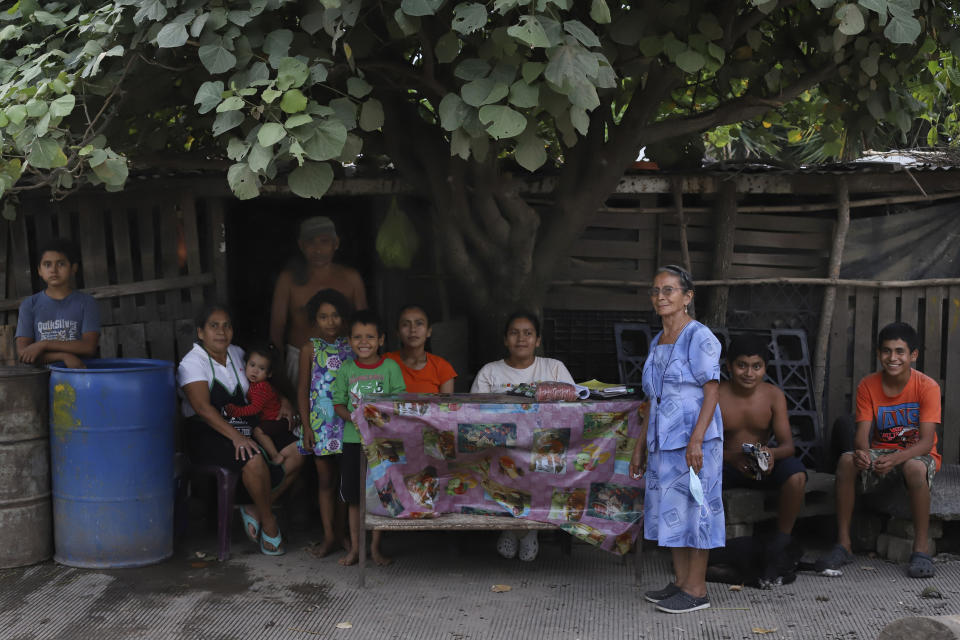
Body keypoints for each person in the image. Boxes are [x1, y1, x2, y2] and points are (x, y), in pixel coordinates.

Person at [629, 265, 724, 614]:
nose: (660, 297)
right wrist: (640, 447)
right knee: (673, 511)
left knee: (697, 509)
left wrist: (696, 440)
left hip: (694, 442)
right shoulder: (658, 341)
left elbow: (711, 391)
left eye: (668, 290)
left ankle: (697, 590)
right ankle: (682, 582)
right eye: (655, 291)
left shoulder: (700, 336)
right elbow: (651, 400)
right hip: (662, 443)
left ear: (687, 297)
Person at [815, 322, 941, 579]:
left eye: (899, 351)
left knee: (914, 467)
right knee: (846, 461)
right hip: (882, 453)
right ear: (878, 353)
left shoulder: (927, 387)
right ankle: (843, 544)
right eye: (886, 351)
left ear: (913, 355)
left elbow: (927, 442)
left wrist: (896, 458)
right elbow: (862, 434)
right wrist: (861, 452)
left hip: (916, 454)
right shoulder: (868, 385)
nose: (892, 358)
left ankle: (921, 549)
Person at [178, 304, 304, 555]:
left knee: (299, 451)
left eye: (226, 326)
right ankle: (269, 523)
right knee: (253, 458)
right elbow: (202, 408)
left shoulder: (237, 353)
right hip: (206, 433)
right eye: (214, 326)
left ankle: (256, 509)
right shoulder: (192, 363)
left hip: (246, 426)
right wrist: (236, 437)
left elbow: (264, 379)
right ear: (201, 332)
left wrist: (285, 401)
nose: (221, 332)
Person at [471, 311, 575, 562]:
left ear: (538, 340)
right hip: (500, 445)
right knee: (503, 463)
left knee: (545, 461)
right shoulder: (490, 372)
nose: (521, 339)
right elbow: (474, 413)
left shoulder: (553, 368)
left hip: (542, 445)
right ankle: (510, 526)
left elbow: (573, 408)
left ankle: (528, 530)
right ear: (505, 339)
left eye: (528, 333)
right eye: (514, 333)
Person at [719, 334, 806, 565]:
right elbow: (702, 447)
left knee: (796, 476)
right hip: (726, 465)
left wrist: (769, 455)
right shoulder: (716, 395)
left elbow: (788, 447)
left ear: (765, 368)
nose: (749, 373)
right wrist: (732, 458)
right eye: (742, 366)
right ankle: (704, 544)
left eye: (756, 366)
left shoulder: (773, 395)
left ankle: (782, 540)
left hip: (761, 466)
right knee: (695, 475)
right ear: (729, 366)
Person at [332, 309, 406, 566]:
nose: (364, 342)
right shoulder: (346, 369)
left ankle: (375, 548)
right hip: (354, 441)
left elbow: (399, 401)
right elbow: (338, 403)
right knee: (354, 497)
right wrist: (353, 417)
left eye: (370, 337)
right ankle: (356, 549)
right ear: (349, 341)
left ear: (381, 340)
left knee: (382, 493)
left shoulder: (390, 368)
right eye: (357, 337)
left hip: (382, 442)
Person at [270, 216, 367, 387]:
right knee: (303, 411)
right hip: (300, 358)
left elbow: (365, 326)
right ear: (301, 245)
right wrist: (279, 372)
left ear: (335, 243)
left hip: (344, 360)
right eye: (311, 243)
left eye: (324, 242)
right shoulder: (288, 280)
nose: (318, 250)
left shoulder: (351, 279)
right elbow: (277, 329)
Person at [296, 288, 354, 558]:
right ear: (315, 320)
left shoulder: (352, 345)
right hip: (320, 424)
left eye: (335, 316)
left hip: (346, 423)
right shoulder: (309, 348)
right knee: (324, 481)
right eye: (323, 317)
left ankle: (343, 534)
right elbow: (302, 389)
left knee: (344, 482)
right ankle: (328, 535)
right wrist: (307, 427)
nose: (330, 322)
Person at [15, 238, 100, 369]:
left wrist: (44, 344)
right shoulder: (29, 305)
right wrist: (64, 356)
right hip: (41, 380)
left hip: (80, 374)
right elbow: (24, 353)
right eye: (47, 264)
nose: (53, 270)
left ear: (73, 268)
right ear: (39, 270)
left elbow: (89, 347)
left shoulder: (87, 303)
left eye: (61, 264)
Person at [224, 345, 288, 465]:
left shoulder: (261, 387)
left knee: (258, 432)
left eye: (261, 368)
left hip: (276, 420)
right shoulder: (253, 384)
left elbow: (254, 409)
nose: (255, 371)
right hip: (269, 420)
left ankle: (275, 456)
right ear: (245, 365)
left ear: (269, 374)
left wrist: (236, 411)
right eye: (252, 365)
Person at [385, 304, 457, 393]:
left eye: (419, 323)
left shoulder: (442, 368)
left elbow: (446, 406)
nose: (413, 330)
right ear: (398, 333)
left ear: (429, 331)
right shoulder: (385, 362)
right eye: (405, 324)